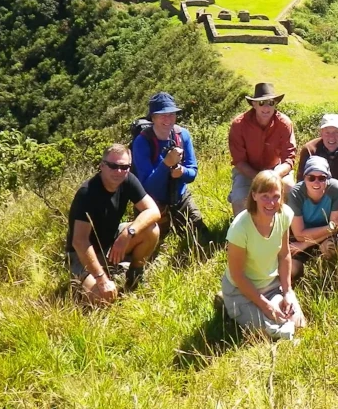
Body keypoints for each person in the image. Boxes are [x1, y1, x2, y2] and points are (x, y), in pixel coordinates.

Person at [66, 144, 161, 304]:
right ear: (102, 166)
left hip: (111, 240)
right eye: (113, 166)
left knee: (151, 229)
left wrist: (127, 233)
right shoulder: (87, 193)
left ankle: (134, 275)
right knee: (103, 297)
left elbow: (153, 211)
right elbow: (80, 241)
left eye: (124, 167)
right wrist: (101, 278)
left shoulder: (128, 180)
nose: (119, 171)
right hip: (82, 255)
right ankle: (97, 277)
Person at [222, 170, 307, 340]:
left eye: (276, 196)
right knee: (270, 333)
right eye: (265, 196)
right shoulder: (240, 228)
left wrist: (287, 292)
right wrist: (266, 307)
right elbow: (238, 275)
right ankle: (228, 303)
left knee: (297, 323)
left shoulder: (284, 215)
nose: (271, 202)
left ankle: (267, 308)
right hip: (242, 290)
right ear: (254, 195)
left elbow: (284, 254)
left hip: (272, 285)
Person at [132, 92, 209, 244]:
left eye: (172, 114)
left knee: (203, 239)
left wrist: (182, 172)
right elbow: (148, 187)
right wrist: (166, 164)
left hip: (180, 198)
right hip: (153, 202)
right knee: (151, 245)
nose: (168, 119)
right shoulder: (142, 142)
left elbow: (192, 172)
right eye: (162, 115)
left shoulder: (183, 135)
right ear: (152, 117)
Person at [228, 83, 296, 216]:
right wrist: (260, 179)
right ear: (253, 104)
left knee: (291, 189)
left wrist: (275, 175)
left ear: (275, 104)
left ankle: (291, 232)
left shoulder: (284, 123)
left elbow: (289, 158)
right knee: (239, 199)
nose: (266, 107)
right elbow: (239, 161)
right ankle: (242, 235)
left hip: (277, 170)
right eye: (261, 103)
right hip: (247, 171)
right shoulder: (239, 124)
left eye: (270, 103)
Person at [287, 156, 338, 278]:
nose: (316, 182)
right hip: (302, 238)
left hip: (325, 238)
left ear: (328, 179)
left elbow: (336, 229)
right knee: (291, 270)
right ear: (304, 178)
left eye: (322, 178)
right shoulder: (295, 194)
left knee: (329, 247)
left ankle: (331, 277)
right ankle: (306, 274)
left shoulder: (336, 189)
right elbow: (299, 234)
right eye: (311, 178)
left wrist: (304, 245)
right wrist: (330, 227)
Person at [296, 113, 338, 195]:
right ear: (321, 132)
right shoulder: (309, 150)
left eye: (336, 132)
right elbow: (300, 183)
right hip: (312, 195)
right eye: (327, 132)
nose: (331, 137)